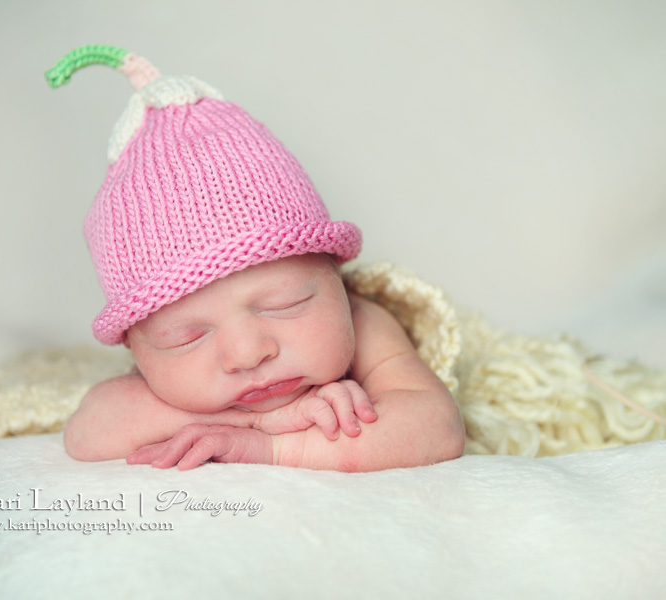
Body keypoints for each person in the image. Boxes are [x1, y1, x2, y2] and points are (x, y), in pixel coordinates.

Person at [47, 45, 465, 471]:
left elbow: (436, 426)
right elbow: (87, 431)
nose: (247, 354)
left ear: (335, 276)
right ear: (135, 346)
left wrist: (274, 448)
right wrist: (262, 421)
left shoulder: (364, 323)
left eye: (285, 304)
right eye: (187, 337)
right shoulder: (158, 383)